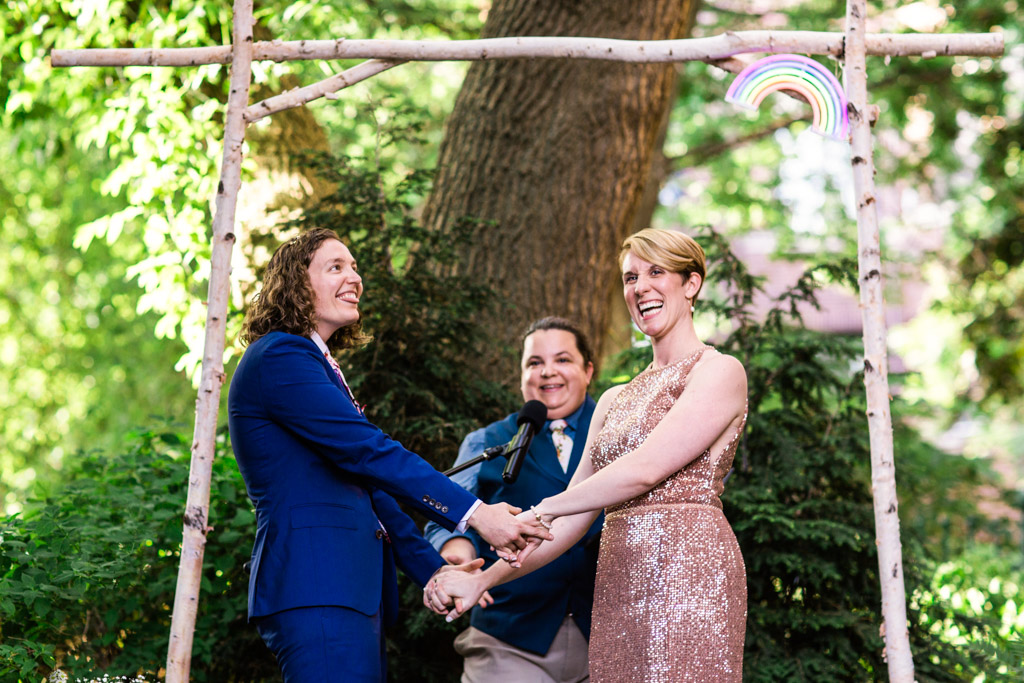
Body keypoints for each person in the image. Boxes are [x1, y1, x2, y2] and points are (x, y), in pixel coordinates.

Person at [227, 228, 551, 682]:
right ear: (297, 284)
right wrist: (477, 514)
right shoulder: (282, 355)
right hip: (318, 586)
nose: (354, 277)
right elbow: (370, 453)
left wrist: (434, 571)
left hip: (345, 592)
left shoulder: (313, 363)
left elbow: (367, 486)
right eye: (335, 266)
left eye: (355, 267)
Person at [427, 228, 749, 681]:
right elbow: (569, 524)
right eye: (630, 277)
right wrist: (483, 578)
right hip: (619, 582)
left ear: (691, 284)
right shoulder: (615, 400)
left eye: (657, 272)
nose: (640, 288)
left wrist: (541, 509)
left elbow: (645, 470)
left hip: (689, 573)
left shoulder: (719, 371)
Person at [424, 317, 604, 683]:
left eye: (563, 360)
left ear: (588, 370)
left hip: (605, 637)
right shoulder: (486, 440)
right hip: (507, 640)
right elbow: (447, 515)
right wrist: (458, 552)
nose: (547, 372)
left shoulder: (620, 432)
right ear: (522, 374)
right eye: (534, 362)